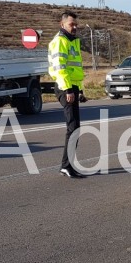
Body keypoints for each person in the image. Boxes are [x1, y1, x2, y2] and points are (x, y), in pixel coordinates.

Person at [48, 11, 88, 178]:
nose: (75, 27)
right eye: (71, 24)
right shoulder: (60, 41)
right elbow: (60, 68)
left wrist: (80, 90)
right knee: (73, 127)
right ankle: (66, 166)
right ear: (62, 24)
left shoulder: (72, 41)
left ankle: (68, 165)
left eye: (76, 24)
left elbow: (75, 70)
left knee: (75, 128)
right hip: (65, 87)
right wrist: (68, 90)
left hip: (72, 87)